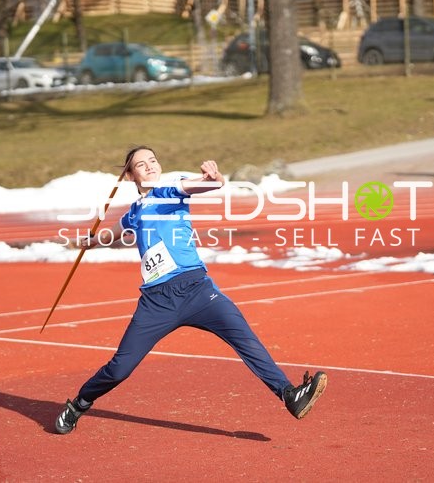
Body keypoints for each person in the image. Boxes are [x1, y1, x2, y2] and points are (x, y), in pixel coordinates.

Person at [55, 145, 328, 434]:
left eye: (153, 160)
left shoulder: (170, 189)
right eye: (140, 165)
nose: (149, 166)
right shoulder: (135, 211)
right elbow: (118, 230)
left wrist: (213, 179)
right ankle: (79, 404)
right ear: (130, 176)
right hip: (157, 302)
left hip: (198, 290)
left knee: (245, 338)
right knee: (120, 368)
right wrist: (92, 240)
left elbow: (199, 186)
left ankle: (289, 395)